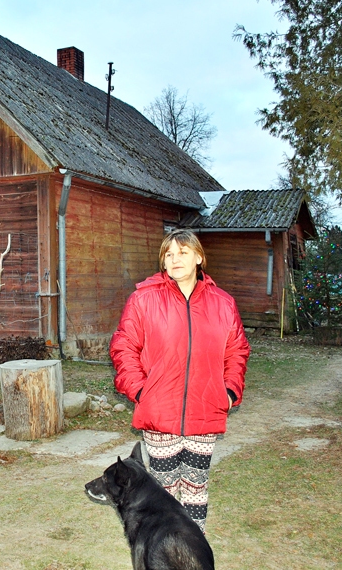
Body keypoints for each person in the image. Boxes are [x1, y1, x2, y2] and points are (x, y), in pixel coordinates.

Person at [109, 228, 250, 532]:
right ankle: (165, 552)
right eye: (169, 254)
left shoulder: (223, 303)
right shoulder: (143, 299)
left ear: (199, 257)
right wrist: (141, 391)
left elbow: (237, 350)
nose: (175, 259)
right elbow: (123, 346)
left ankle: (193, 552)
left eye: (183, 252)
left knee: (196, 490)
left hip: (205, 411)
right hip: (159, 413)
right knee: (164, 492)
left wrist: (228, 392)